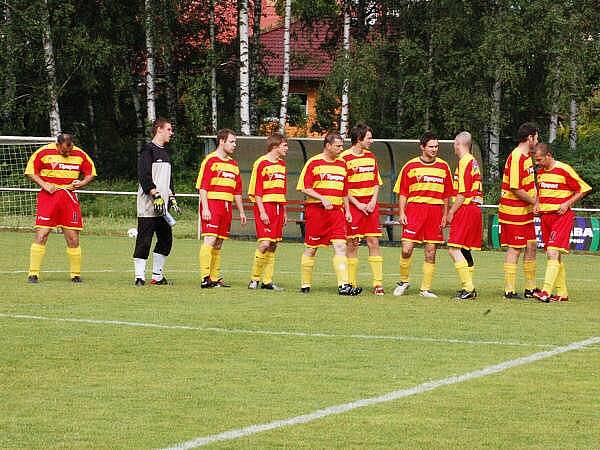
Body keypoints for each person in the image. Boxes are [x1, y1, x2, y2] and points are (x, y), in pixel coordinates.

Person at [24, 133, 96, 283]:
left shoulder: (80, 154)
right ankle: (33, 273)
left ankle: (75, 275)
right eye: (64, 151)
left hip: (69, 199)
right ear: (57, 145)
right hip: (48, 198)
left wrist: (81, 183)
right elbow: (31, 171)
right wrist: (44, 184)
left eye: (70, 150)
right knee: (42, 234)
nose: (68, 153)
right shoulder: (43, 152)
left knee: (73, 238)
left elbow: (90, 173)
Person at [296, 132, 361, 296]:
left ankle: (344, 286)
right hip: (317, 212)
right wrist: (322, 198)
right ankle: (305, 284)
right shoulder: (314, 162)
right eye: (338, 145)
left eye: (342, 145)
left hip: (337, 213)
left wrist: (347, 209)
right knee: (311, 249)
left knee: (341, 246)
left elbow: (345, 191)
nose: (341, 148)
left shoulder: (342, 164)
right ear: (328, 145)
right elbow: (304, 187)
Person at [392, 131, 453, 298]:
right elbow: (403, 192)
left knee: (431, 251)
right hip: (414, 212)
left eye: (436, 146)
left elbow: (447, 194)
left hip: (435, 213)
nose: (434, 149)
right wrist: (402, 212)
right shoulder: (410, 166)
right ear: (422, 147)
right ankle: (404, 281)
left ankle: (425, 289)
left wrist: (445, 214)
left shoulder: (443, 167)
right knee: (406, 249)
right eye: (431, 146)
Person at [532, 144, 591, 302]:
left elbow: (583, 189)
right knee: (554, 256)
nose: (537, 163)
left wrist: (567, 204)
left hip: (561, 216)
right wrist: (537, 203)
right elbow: (540, 190)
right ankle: (562, 293)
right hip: (545, 217)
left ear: (549, 155)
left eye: (539, 159)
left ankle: (545, 291)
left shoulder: (564, 169)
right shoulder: (540, 172)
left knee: (552, 252)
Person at [196, 128, 246, 288]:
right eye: (231, 141)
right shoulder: (210, 161)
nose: (234, 145)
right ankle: (205, 277)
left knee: (218, 243)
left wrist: (242, 211)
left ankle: (215, 278)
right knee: (210, 240)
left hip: (227, 207)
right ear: (221, 141)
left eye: (235, 142)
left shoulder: (233, 164)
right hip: (212, 204)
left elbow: (237, 190)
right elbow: (203, 187)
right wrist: (205, 208)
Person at [133, 118, 180, 286]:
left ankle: (157, 276)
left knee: (166, 240)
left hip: (163, 208)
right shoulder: (148, 150)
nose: (171, 133)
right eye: (168, 129)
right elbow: (144, 174)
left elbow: (168, 180)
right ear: (159, 130)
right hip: (148, 205)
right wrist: (155, 194)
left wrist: (172, 198)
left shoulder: (165, 153)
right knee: (144, 240)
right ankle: (139, 276)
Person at [341, 123, 385, 295]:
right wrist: (357, 204)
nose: (371, 141)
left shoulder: (371, 156)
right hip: (353, 206)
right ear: (359, 139)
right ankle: (351, 283)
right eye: (369, 138)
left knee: (373, 242)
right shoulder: (344, 158)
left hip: (370, 206)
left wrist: (373, 200)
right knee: (352, 244)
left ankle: (378, 284)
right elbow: (343, 187)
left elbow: (376, 182)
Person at [498, 122, 539, 299]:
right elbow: (515, 187)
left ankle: (530, 288)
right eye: (536, 137)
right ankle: (509, 290)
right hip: (513, 211)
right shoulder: (516, 157)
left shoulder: (527, 157)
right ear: (529, 138)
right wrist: (535, 202)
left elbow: (529, 184)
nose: (537, 140)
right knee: (515, 248)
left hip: (525, 211)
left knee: (531, 246)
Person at [247, 133, 288, 291]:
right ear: (275, 146)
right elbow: (257, 190)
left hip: (278, 208)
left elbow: (282, 190)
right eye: (284, 145)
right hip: (265, 207)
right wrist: (262, 211)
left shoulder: (282, 165)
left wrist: (283, 211)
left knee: (273, 244)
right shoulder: (261, 163)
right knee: (264, 243)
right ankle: (254, 279)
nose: (286, 148)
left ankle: (267, 281)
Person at [446, 131, 483, 300]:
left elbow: (462, 192)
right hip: (474, 208)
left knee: (453, 248)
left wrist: (451, 211)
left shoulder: (464, 162)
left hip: (466, 208)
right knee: (464, 248)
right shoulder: (473, 161)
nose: (454, 146)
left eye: (455, 143)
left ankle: (468, 288)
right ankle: (468, 287)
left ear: (459, 143)